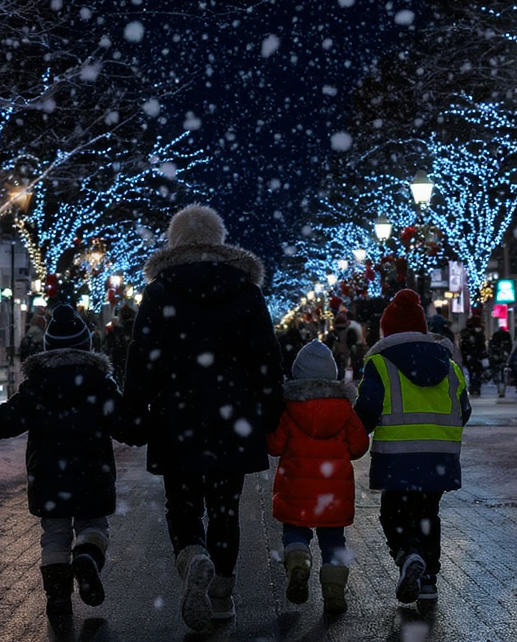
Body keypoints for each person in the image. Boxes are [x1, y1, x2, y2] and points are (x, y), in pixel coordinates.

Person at [121, 204, 285, 632]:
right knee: (226, 507)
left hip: (177, 416)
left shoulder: (159, 293)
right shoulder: (246, 292)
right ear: (219, 239)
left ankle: (193, 554)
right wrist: (270, 410)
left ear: (175, 242)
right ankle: (222, 596)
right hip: (233, 416)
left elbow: (141, 360)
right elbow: (266, 358)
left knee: (183, 503)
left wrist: (135, 410)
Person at [0, 305, 130, 633]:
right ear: (87, 346)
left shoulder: (37, 384)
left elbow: (9, 418)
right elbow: (124, 423)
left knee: (54, 533)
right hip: (92, 470)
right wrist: (151, 425)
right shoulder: (99, 382)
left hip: (48, 473)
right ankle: (87, 558)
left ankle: (57, 598)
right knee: (94, 523)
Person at [353, 289, 471, 615]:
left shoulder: (379, 363)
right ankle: (429, 581)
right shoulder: (449, 365)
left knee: (393, 515)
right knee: (428, 514)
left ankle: (409, 556)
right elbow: (464, 409)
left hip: (397, 458)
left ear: (386, 330)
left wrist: (351, 436)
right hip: (440, 459)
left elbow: (367, 409)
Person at [268, 340, 369, 614]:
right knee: (334, 541)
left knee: (295, 532)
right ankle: (334, 592)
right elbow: (359, 447)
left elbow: (274, 445)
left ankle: (298, 559)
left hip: (296, 489)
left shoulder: (289, 410)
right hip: (333, 493)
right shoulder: (344, 409)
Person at [102, 303, 138, 387]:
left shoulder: (116, 332)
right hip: (133, 369)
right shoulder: (137, 331)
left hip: (119, 367)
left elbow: (106, 348)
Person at [458, 316, 488, 397]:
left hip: (469, 356)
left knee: (471, 373)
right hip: (476, 356)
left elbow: (463, 346)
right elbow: (481, 345)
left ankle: (473, 387)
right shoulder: (478, 334)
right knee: (477, 372)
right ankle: (476, 387)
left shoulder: (465, 334)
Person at [488, 326, 513, 398]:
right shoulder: (507, 337)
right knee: (505, 374)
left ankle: (499, 389)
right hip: (504, 357)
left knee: (497, 373)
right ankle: (503, 390)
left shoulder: (495, 338)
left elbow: (491, 347)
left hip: (496, 358)